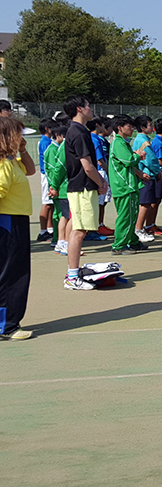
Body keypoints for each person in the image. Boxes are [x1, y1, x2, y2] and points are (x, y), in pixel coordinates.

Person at [62, 95, 106, 290]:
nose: (91, 108)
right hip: (83, 187)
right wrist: (101, 182)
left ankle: (73, 273)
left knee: (78, 229)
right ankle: (72, 276)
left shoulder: (79, 130)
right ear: (79, 109)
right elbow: (87, 166)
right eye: (88, 106)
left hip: (80, 187)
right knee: (79, 231)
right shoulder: (78, 132)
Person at [0, 116, 36, 339]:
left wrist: (22, 150)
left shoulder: (12, 161)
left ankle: (8, 322)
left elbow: (30, 170)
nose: (23, 138)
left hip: (17, 220)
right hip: (8, 221)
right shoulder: (4, 165)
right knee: (11, 273)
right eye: (19, 134)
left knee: (15, 270)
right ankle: (6, 325)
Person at [108, 115, 149, 255]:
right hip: (124, 186)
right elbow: (128, 160)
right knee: (125, 216)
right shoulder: (118, 143)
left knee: (132, 215)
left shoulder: (122, 142)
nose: (132, 129)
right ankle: (119, 245)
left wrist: (138, 171)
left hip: (129, 185)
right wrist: (138, 155)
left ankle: (133, 241)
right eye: (129, 126)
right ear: (120, 128)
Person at [44, 123, 71, 257]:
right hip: (61, 188)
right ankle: (60, 241)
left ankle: (60, 241)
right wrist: (53, 186)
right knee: (64, 216)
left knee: (63, 215)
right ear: (57, 136)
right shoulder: (53, 149)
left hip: (62, 187)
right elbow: (54, 170)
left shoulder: (59, 147)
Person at [36, 119, 54, 243]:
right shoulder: (45, 142)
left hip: (49, 174)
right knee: (46, 203)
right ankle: (43, 231)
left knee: (51, 204)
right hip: (46, 174)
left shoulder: (47, 141)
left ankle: (50, 228)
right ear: (47, 128)